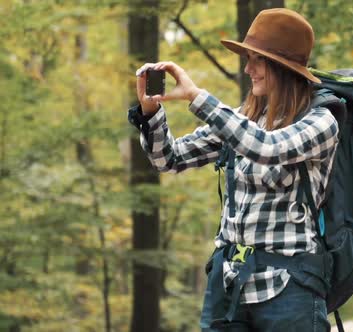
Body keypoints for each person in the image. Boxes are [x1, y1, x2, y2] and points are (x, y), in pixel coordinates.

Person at [128, 8, 338, 332]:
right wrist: (151, 111)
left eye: (257, 59)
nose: (247, 68)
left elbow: (268, 148)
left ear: (282, 67)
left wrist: (198, 97)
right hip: (227, 287)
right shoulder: (243, 119)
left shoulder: (321, 122)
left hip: (290, 290)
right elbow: (168, 159)